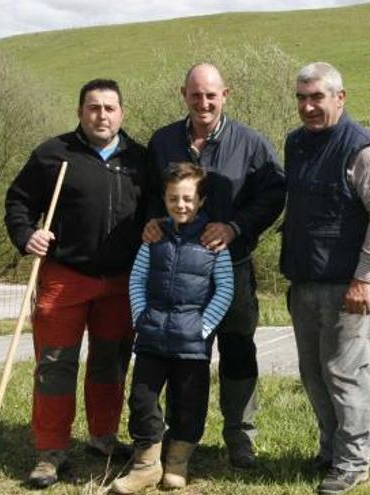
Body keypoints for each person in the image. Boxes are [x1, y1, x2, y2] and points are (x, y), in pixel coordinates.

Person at [4, 78, 147, 489]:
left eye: (110, 108)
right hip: (64, 277)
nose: (102, 115)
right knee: (54, 365)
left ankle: (103, 437)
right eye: (93, 108)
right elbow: (17, 201)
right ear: (80, 112)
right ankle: (51, 450)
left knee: (110, 362)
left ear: (122, 112)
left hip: (119, 281)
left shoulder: (139, 159)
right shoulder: (54, 153)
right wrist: (25, 234)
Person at [144, 62, 286, 468]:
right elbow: (150, 195)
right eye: (195, 94)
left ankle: (240, 435)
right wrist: (153, 221)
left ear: (227, 94)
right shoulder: (163, 141)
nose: (203, 102)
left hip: (233, 267)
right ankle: (181, 435)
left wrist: (236, 226)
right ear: (183, 95)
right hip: (176, 272)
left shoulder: (251, 143)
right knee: (184, 354)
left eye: (211, 94)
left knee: (239, 348)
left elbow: (275, 194)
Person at [280, 62, 370, 495]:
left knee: (346, 373)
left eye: (317, 97)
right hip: (306, 280)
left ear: (340, 98)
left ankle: (353, 461)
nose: (308, 106)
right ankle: (331, 449)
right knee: (313, 373)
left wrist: (364, 279)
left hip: (350, 285)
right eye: (302, 97)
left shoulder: (363, 149)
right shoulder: (297, 144)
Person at [112, 163, 234, 494]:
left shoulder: (213, 242)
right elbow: (137, 279)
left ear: (201, 200)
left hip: (192, 342)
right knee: (142, 399)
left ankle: (178, 462)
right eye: (173, 199)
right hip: (151, 337)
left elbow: (224, 288)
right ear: (164, 200)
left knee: (189, 403)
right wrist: (140, 317)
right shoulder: (154, 237)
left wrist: (204, 327)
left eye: (188, 199)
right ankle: (146, 465)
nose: (180, 205)